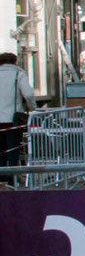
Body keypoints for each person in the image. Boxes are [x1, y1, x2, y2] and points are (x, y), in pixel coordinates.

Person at [0, 53, 36, 183]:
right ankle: (12, 178)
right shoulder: (18, 75)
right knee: (13, 149)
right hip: (13, 119)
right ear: (15, 62)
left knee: (1, 150)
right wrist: (33, 109)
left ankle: (2, 177)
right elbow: (29, 94)